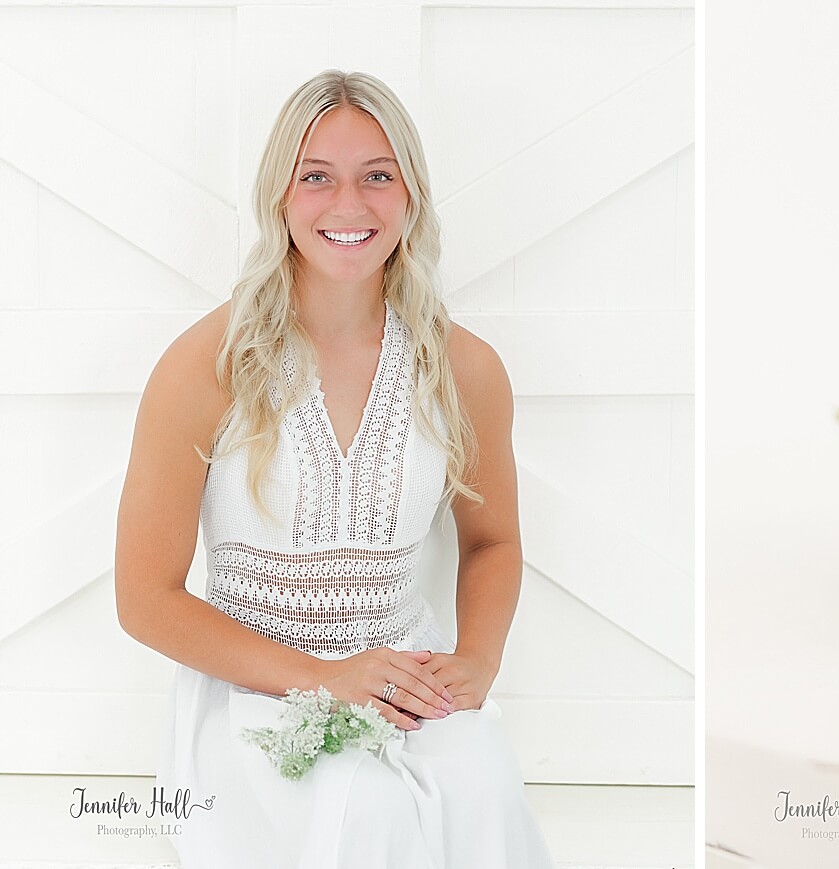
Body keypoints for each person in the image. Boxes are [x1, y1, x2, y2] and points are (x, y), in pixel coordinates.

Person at [114, 69, 555, 868]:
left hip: (404, 681)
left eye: (377, 177)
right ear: (279, 194)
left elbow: (493, 540)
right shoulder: (206, 367)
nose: (348, 206)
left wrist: (478, 661)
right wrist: (324, 676)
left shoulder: (464, 369)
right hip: (255, 698)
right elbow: (144, 598)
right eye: (316, 177)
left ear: (411, 194)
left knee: (486, 785)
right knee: (370, 813)